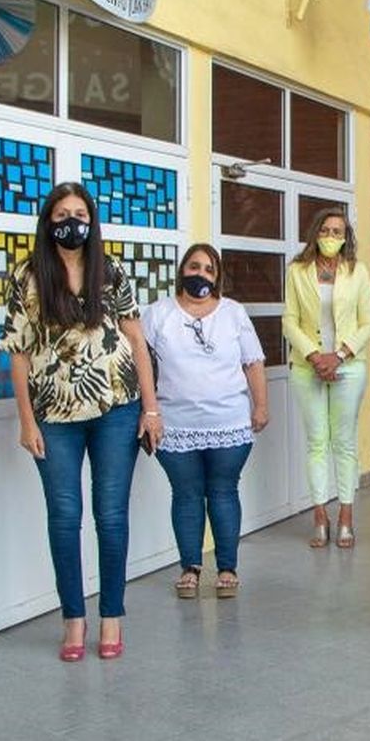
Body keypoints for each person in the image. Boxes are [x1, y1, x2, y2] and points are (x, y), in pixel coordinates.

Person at [0, 182, 161, 662]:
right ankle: (74, 618)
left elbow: (137, 342)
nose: (72, 220)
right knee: (64, 518)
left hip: (118, 408)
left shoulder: (110, 271)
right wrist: (26, 421)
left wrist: (151, 409)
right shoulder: (27, 275)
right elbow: (19, 353)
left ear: (91, 220)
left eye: (80, 212)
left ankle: (111, 615)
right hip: (54, 416)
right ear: (49, 221)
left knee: (111, 516)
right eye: (63, 213)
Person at [142, 244, 268, 600]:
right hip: (175, 424)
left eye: (209, 269)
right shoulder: (157, 314)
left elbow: (253, 362)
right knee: (186, 495)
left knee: (223, 491)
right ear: (182, 270)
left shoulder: (233, 313)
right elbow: (140, 363)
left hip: (228, 422)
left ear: (217, 278)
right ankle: (190, 568)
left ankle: (227, 567)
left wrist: (261, 406)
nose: (201, 274)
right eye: (194, 266)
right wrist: (147, 412)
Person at [282, 208, 370, 548]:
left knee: (345, 442)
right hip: (308, 366)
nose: (331, 237)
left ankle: (346, 517)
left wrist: (338, 356)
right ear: (315, 233)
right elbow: (289, 320)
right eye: (326, 230)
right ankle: (320, 515)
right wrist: (314, 356)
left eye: (338, 232)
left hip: (348, 366)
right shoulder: (297, 270)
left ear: (346, 236)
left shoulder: (357, 271)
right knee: (317, 441)